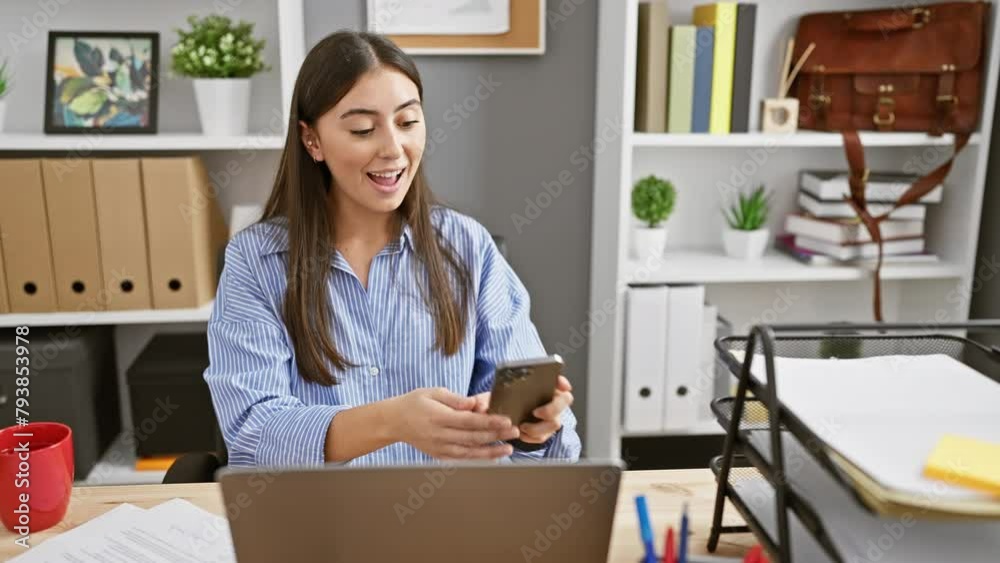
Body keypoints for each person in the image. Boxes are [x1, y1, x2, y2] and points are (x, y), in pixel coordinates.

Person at [203, 30, 581, 467]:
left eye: (407, 122)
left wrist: (535, 430)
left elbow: (544, 447)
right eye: (363, 129)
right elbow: (252, 433)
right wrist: (393, 422)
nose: (393, 149)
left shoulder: (467, 247)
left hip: (454, 517)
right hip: (323, 522)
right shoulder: (256, 262)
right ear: (312, 141)